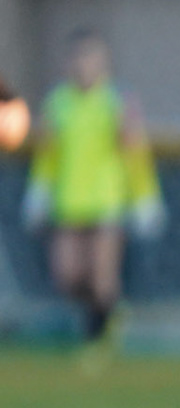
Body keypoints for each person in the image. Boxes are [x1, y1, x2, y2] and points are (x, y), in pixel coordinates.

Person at [23, 30, 164, 344]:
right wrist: (39, 191)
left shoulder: (117, 101)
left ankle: (102, 338)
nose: (84, 64)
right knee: (68, 275)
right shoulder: (57, 102)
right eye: (78, 57)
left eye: (91, 57)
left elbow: (134, 153)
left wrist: (145, 197)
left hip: (107, 200)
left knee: (103, 278)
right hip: (69, 201)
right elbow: (47, 154)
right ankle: (99, 318)